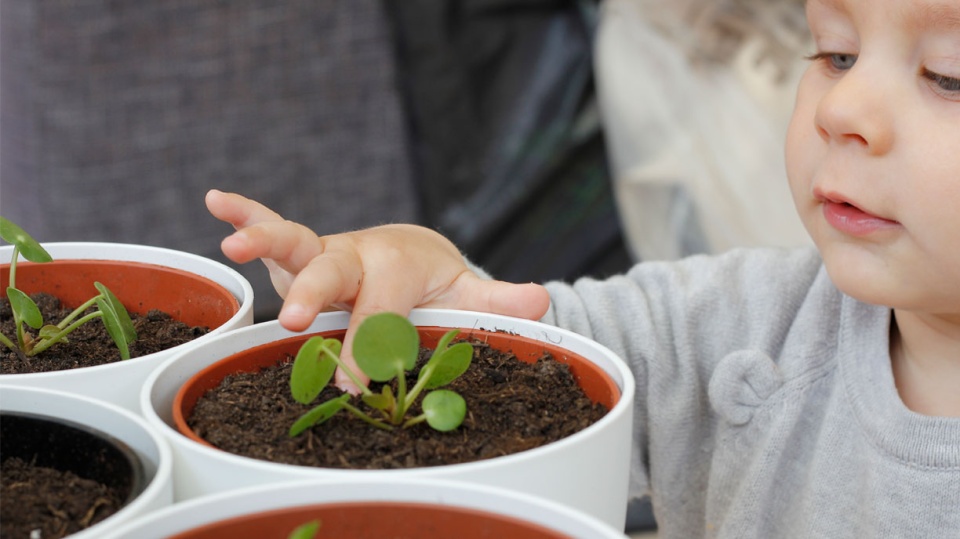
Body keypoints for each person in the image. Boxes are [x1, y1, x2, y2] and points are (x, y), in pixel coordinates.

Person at [205, 0, 960, 535]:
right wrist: (436, 285)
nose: (843, 107)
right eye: (836, 52)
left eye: (947, 76)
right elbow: (546, 351)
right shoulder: (747, 328)